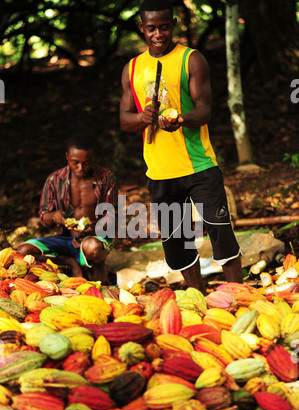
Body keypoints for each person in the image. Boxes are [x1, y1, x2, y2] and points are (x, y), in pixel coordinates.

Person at [119, 0, 243, 294]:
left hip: (199, 166)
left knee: (220, 231)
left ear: (173, 24)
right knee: (177, 240)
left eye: (164, 26)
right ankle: (197, 296)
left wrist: (182, 119)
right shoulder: (132, 68)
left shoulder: (192, 59)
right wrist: (141, 117)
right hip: (161, 171)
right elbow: (124, 119)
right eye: (151, 28)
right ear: (141, 28)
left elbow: (205, 110)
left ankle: (240, 295)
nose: (158, 33)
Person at [17, 135, 117, 283]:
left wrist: (95, 226)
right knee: (23, 251)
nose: (80, 168)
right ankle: (70, 262)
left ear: (93, 158)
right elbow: (44, 216)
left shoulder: (106, 178)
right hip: (64, 239)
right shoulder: (55, 179)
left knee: (93, 248)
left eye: (86, 163)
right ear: (67, 157)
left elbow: (114, 216)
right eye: (75, 163)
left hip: (94, 239)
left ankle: (98, 265)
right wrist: (54, 216)